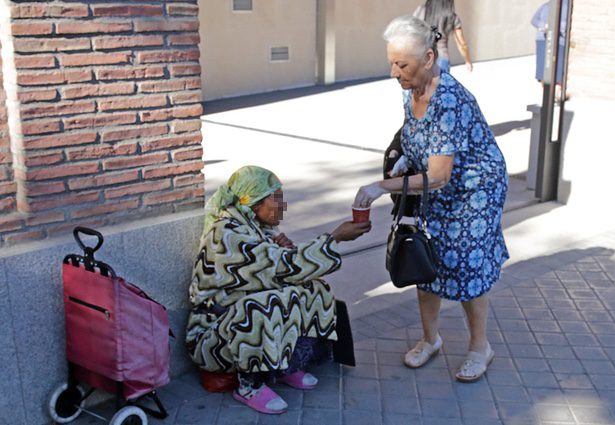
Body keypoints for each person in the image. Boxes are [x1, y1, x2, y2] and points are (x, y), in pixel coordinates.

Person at [354, 16, 509, 383]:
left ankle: (479, 348)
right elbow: (415, 139)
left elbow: (439, 176)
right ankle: (430, 339)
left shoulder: (449, 99)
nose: (394, 72)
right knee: (425, 256)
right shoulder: (412, 89)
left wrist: (380, 187)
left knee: (468, 267)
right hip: (433, 186)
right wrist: (405, 158)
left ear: (427, 58)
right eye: (392, 62)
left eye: (402, 64)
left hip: (474, 189)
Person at [186, 165, 370, 415]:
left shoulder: (255, 227)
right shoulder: (227, 236)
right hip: (213, 339)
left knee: (312, 289)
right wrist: (334, 237)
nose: (283, 206)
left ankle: (285, 367)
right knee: (261, 307)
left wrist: (286, 249)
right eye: (277, 199)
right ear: (253, 203)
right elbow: (285, 268)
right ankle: (249, 385)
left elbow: (282, 271)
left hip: (234, 327)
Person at [413, 0, 472, 73]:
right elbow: (462, 44)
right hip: (441, 60)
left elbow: (411, 34)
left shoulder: (421, 11)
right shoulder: (452, 16)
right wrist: (468, 61)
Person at [531, 0, 569, 87]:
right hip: (542, 40)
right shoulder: (546, 5)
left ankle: (555, 95)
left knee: (558, 74)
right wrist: (543, 26)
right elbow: (534, 20)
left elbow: (566, 24)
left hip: (559, 42)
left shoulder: (566, 5)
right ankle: (546, 96)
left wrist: (558, 29)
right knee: (543, 73)